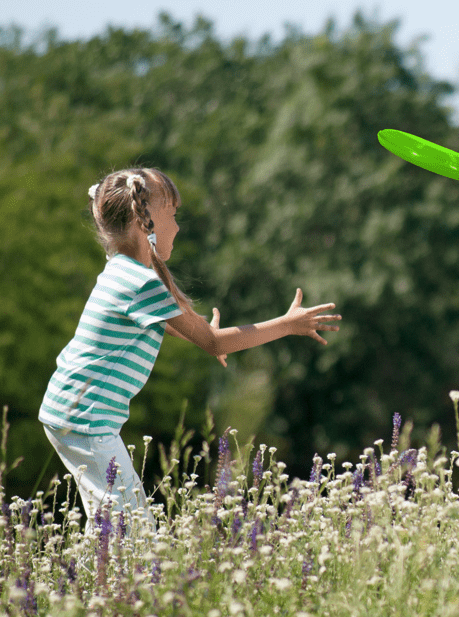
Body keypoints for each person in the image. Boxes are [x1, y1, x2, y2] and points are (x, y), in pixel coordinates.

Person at [39, 168, 341, 533]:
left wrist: (204, 334)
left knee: (112, 520)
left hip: (73, 412)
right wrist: (287, 324)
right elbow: (212, 341)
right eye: (173, 215)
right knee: (131, 527)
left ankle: (91, 585)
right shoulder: (139, 282)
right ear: (144, 221)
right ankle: (113, 586)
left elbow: (165, 322)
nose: (178, 227)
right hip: (85, 419)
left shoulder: (123, 272)